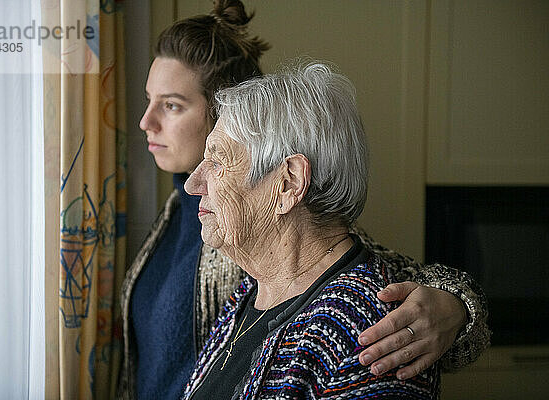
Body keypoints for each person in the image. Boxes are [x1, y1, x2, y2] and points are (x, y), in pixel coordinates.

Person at [117, 1, 490, 399]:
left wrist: (458, 306)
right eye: (149, 99)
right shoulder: (182, 215)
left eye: (172, 105)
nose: (145, 121)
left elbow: (352, 267)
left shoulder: (277, 234)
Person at [182, 61, 440, 399]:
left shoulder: (366, 333)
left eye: (217, 161)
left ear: (289, 183)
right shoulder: (253, 290)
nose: (193, 183)